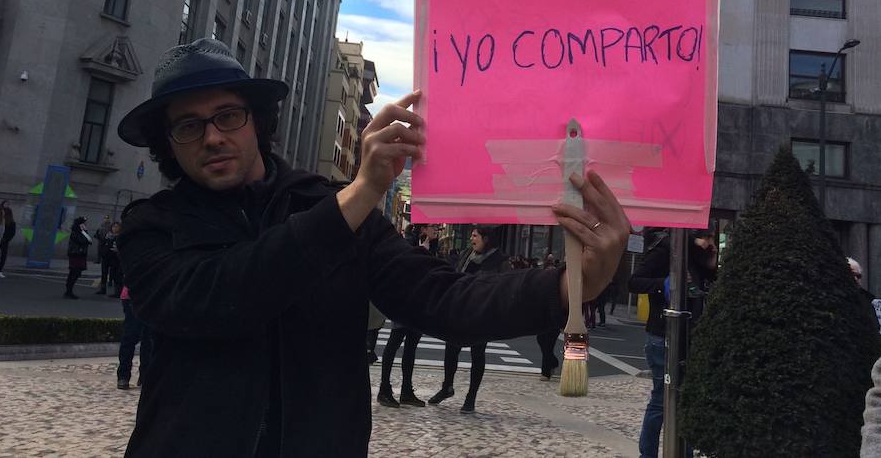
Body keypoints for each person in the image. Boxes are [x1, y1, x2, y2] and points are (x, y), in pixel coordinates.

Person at [114, 38, 629, 457]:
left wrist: (566, 287)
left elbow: (442, 300)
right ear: (168, 143)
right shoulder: (151, 226)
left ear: (257, 121)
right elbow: (223, 294)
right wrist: (361, 193)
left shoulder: (326, 207)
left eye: (228, 115)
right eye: (188, 125)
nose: (211, 137)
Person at [628, 226, 717, 458]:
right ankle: (648, 454)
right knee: (661, 399)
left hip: (690, 333)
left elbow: (705, 285)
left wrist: (712, 264)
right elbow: (634, 282)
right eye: (704, 239)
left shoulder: (697, 257)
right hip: (663, 333)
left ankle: (683, 452)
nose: (708, 244)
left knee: (684, 399)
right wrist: (664, 284)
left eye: (711, 239)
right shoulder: (666, 250)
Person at [427, 226, 511, 414]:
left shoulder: (500, 260)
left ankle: (471, 397)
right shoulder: (467, 254)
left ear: (486, 238)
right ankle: (447, 386)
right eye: (472, 235)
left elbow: (506, 286)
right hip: (460, 308)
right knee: (451, 348)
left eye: (475, 236)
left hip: (482, 311)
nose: (472, 238)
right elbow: (456, 274)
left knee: (478, 353)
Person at [378, 226, 440, 408]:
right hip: (404, 299)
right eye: (433, 227)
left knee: (411, 346)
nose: (436, 229)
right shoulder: (408, 242)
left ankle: (406, 391)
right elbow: (404, 268)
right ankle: (384, 389)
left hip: (419, 300)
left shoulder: (432, 245)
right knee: (394, 342)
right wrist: (422, 252)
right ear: (423, 228)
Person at [117, 285, 153, 390]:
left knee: (148, 339)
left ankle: (145, 376)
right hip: (133, 295)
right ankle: (123, 376)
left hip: (151, 296)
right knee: (130, 336)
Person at [848, 258, 880, 332]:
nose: (855, 279)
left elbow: (875, 327)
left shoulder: (868, 299)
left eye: (858, 276)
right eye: (852, 274)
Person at [64, 216, 92, 299]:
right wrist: (85, 232)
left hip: (80, 254)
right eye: (83, 223)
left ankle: (69, 290)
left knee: (75, 272)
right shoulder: (76, 232)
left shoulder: (81, 232)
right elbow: (83, 241)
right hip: (76, 254)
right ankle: (69, 291)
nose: (85, 225)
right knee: (74, 272)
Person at [98, 221, 123, 297]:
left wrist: (118, 250)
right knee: (104, 273)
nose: (115, 228)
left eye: (117, 227)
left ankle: (117, 292)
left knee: (116, 275)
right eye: (114, 226)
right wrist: (102, 252)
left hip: (115, 257)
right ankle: (102, 289)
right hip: (106, 256)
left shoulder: (120, 236)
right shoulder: (108, 235)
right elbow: (102, 244)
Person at [0, 200, 15, 277]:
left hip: (4, 239)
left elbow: (12, 231)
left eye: (8, 204)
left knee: (3, 255)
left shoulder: (10, 217)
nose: (7, 205)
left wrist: (7, 239)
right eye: (5, 204)